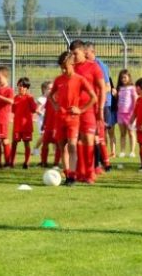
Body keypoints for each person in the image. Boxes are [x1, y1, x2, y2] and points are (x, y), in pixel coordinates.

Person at [48, 51, 96, 186]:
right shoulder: (58, 80)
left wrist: (80, 110)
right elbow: (50, 96)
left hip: (73, 119)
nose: (63, 70)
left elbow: (94, 97)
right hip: (60, 118)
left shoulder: (80, 79)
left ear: (72, 64)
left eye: (65, 67)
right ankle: (68, 174)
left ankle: (73, 176)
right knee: (62, 147)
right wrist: (55, 105)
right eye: (61, 67)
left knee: (72, 146)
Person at [70, 40, 106, 184]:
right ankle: (80, 172)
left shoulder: (93, 67)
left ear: (84, 52)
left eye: (75, 53)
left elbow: (102, 88)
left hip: (89, 108)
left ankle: (90, 173)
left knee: (89, 139)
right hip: (73, 110)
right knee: (76, 140)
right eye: (71, 54)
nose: (73, 56)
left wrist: (101, 108)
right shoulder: (71, 67)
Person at [85, 41, 112, 173]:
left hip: (102, 104)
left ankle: (103, 163)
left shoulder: (99, 65)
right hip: (90, 105)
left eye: (86, 53)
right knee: (93, 136)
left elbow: (107, 86)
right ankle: (98, 163)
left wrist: (94, 96)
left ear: (93, 52)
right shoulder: (85, 65)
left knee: (99, 135)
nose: (84, 55)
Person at [11, 77, 38, 169]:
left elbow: (34, 109)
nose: (21, 88)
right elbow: (13, 110)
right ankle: (11, 162)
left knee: (26, 143)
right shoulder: (15, 98)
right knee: (14, 143)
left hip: (26, 126)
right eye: (19, 86)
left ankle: (26, 163)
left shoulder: (29, 98)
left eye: (23, 86)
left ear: (27, 88)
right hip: (17, 126)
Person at [116, 69, 137, 159]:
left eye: (124, 77)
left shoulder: (132, 88)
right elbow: (118, 99)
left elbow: (135, 100)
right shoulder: (120, 88)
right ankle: (122, 151)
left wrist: (134, 113)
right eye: (121, 78)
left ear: (129, 77)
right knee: (122, 133)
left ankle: (132, 151)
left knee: (131, 133)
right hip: (120, 113)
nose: (123, 79)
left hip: (130, 114)